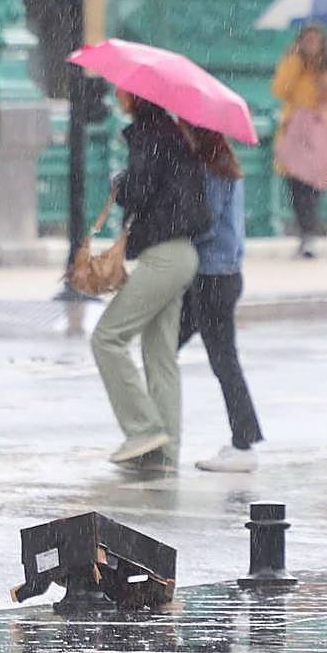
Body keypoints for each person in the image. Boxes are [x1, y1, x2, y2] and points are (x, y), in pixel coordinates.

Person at [92, 90, 210, 469]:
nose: (116, 95)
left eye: (121, 91)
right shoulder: (175, 134)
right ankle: (165, 452)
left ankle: (143, 429)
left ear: (134, 96)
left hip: (162, 255)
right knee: (160, 356)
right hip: (182, 252)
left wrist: (121, 181)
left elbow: (140, 190)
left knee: (107, 338)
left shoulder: (148, 135)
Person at [177, 124, 266, 473]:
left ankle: (243, 443)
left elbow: (207, 222)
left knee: (222, 361)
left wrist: (174, 231)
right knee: (168, 345)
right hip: (222, 273)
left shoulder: (211, 168)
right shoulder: (226, 164)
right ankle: (155, 428)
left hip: (212, 276)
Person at [270, 24, 327, 258]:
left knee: (314, 184)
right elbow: (280, 89)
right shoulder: (292, 63)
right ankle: (306, 231)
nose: (312, 45)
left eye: (316, 40)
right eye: (308, 40)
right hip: (296, 130)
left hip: (320, 133)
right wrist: (297, 65)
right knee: (296, 184)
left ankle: (310, 232)